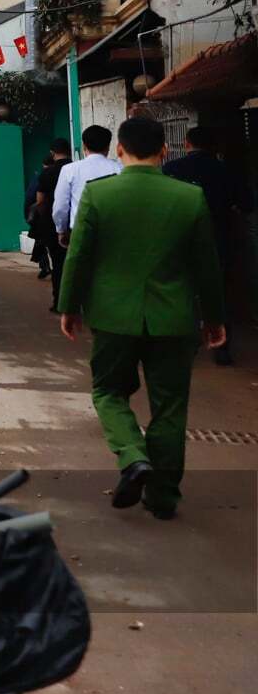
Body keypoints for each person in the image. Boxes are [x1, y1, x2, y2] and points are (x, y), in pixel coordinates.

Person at [58, 116, 224, 521]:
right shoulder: (189, 198)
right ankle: (164, 497)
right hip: (174, 319)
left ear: (120, 150)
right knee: (169, 407)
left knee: (109, 392)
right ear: (164, 151)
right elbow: (207, 265)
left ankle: (133, 456)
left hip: (113, 317)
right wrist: (215, 317)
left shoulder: (99, 196)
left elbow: (78, 257)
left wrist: (69, 305)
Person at [163, 126, 254, 365]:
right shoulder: (228, 171)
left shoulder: (172, 170)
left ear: (186, 143)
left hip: (180, 241)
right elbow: (247, 204)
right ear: (215, 147)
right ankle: (222, 349)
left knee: (183, 292)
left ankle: (186, 345)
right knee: (220, 293)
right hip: (219, 240)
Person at [53, 124, 120, 245]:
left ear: (84, 145)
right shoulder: (120, 168)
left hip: (81, 231)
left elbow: (60, 206)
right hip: (114, 232)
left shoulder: (69, 170)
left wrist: (61, 230)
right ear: (108, 146)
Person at [30, 139, 74, 305]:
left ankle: (59, 301)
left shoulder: (47, 173)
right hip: (77, 222)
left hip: (52, 224)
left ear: (52, 153)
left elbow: (39, 201)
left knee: (58, 264)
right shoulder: (76, 169)